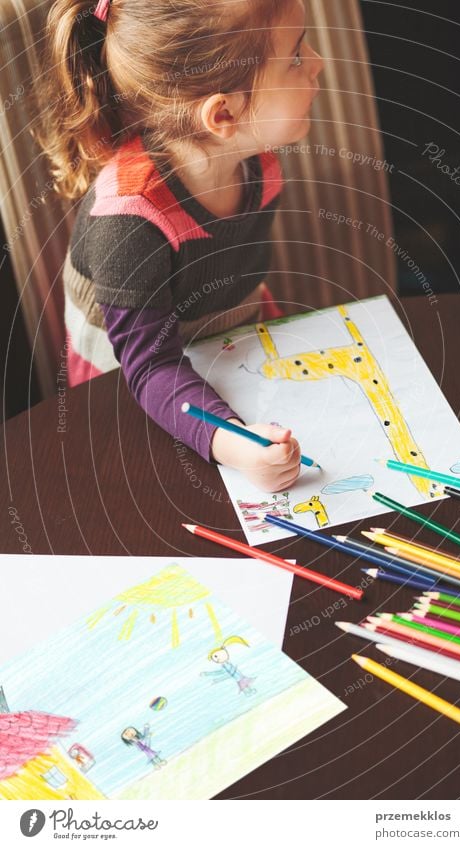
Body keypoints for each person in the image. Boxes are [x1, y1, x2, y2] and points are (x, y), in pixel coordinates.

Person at [36, 0, 324, 493]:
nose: (318, 62)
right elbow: (151, 369)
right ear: (224, 113)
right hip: (137, 402)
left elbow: (234, 284)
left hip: (230, 354)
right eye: (296, 57)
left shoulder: (260, 166)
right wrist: (236, 443)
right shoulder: (128, 224)